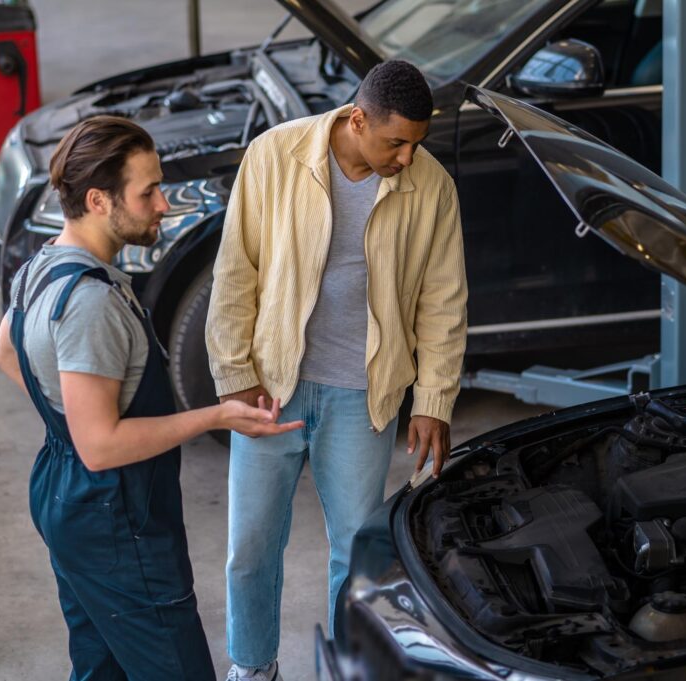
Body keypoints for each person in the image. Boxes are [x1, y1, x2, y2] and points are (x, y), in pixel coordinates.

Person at [0, 116, 303, 680]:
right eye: (148, 191)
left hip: (66, 499)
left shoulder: (43, 265)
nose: (165, 205)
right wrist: (216, 415)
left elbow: (7, 353)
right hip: (117, 520)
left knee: (101, 664)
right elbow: (102, 447)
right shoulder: (91, 305)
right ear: (99, 200)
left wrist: (69, 416)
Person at [207, 60, 467, 681]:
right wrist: (235, 373)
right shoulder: (275, 156)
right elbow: (235, 272)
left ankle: (346, 669)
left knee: (356, 551)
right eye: (394, 142)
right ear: (357, 119)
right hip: (274, 384)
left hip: (365, 392)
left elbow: (443, 298)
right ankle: (252, 666)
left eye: (416, 143)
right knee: (250, 546)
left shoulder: (432, 187)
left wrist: (433, 399)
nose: (407, 157)